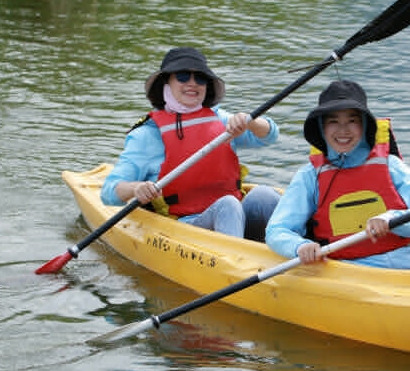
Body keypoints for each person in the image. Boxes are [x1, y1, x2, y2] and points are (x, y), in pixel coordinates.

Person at [102, 47, 281, 240]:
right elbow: (109, 192)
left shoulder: (220, 119)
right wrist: (136, 188)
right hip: (186, 226)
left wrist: (251, 122)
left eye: (200, 78)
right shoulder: (146, 134)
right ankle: (236, 264)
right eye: (182, 76)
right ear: (166, 82)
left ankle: (303, 249)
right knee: (227, 205)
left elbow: (269, 136)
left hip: (235, 215)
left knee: (264, 195)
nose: (192, 83)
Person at [265, 80, 410, 269]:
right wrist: (300, 246)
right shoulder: (309, 176)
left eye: (352, 120)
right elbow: (277, 230)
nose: (343, 130)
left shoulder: (392, 166)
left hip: (404, 266)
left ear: (364, 126)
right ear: (322, 128)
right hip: (342, 272)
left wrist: (392, 219)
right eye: (333, 121)